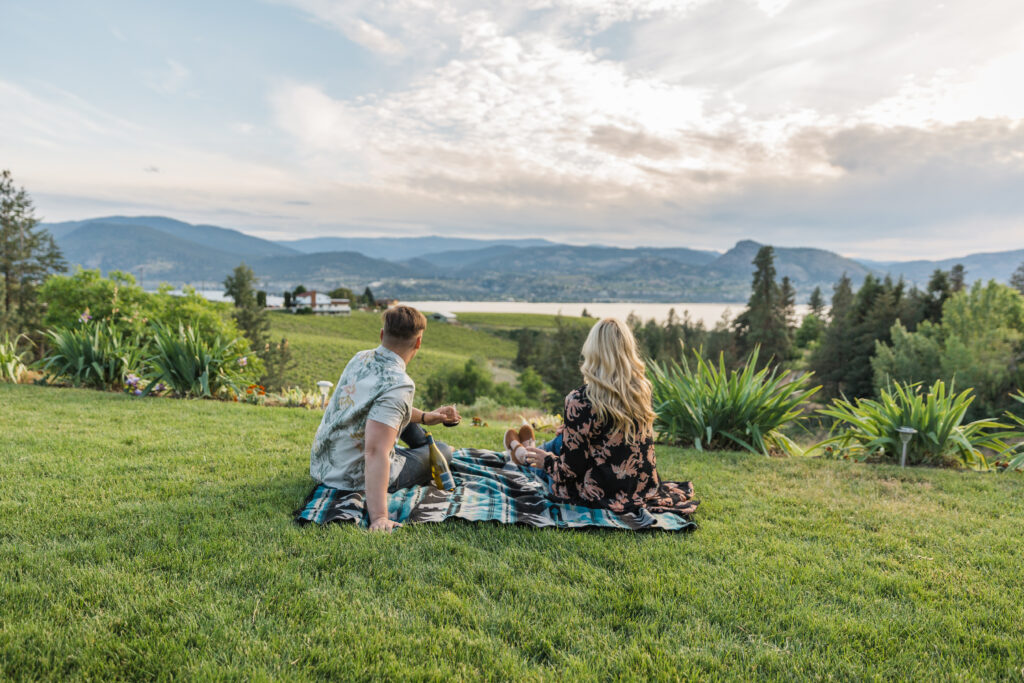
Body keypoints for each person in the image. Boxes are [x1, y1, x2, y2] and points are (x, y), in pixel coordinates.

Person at [506, 317, 697, 515]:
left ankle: (521, 453)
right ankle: (527, 449)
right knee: (563, 439)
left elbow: (568, 471)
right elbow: (613, 438)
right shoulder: (641, 390)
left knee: (548, 459)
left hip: (597, 494)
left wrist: (547, 461)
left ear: (593, 351)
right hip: (637, 488)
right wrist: (573, 431)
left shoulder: (580, 399)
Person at [309, 305, 461, 532]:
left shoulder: (360, 358)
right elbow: (375, 452)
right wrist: (379, 516)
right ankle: (423, 447)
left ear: (382, 334)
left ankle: (419, 443)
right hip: (351, 475)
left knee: (401, 418)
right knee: (443, 450)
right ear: (418, 343)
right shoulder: (400, 383)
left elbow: (385, 409)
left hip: (324, 464)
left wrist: (428, 417)